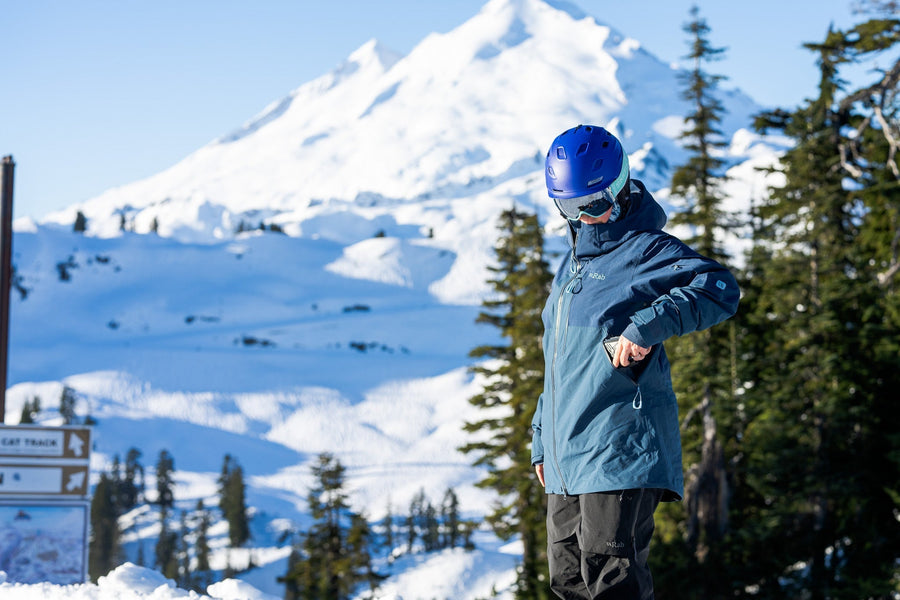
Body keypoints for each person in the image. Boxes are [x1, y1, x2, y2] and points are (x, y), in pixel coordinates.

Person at [530, 124, 740, 599]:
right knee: (567, 583)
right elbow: (560, 362)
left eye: (596, 203)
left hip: (619, 447)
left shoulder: (646, 249)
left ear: (621, 187)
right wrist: (543, 436)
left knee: (611, 582)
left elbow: (719, 288)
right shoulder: (571, 267)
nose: (587, 218)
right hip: (567, 458)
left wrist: (647, 325)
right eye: (571, 207)